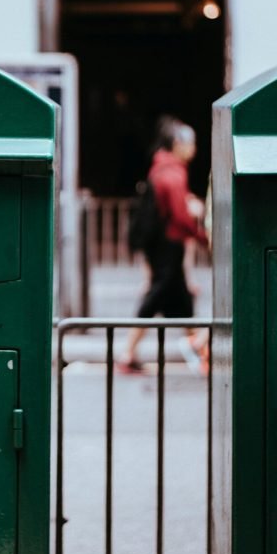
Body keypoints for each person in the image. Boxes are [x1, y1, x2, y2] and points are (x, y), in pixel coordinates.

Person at [118, 117, 208, 374]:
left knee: (182, 303)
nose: (194, 149)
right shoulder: (172, 174)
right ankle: (128, 354)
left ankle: (199, 348)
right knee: (157, 298)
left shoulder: (161, 169)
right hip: (169, 246)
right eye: (191, 143)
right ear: (178, 143)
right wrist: (204, 238)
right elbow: (180, 216)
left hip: (163, 247)